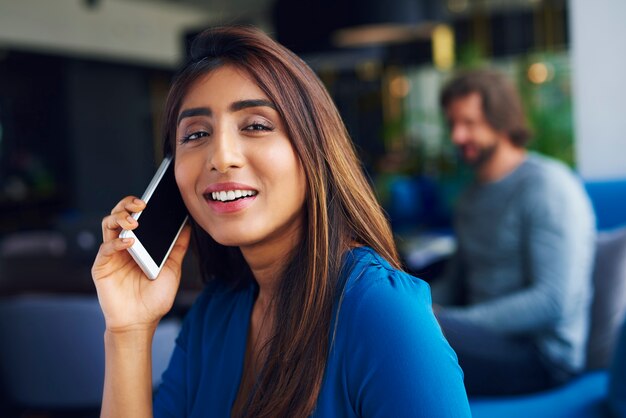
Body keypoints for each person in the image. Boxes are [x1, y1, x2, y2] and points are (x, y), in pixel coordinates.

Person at [92, 26, 471, 417]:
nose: (221, 157)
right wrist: (128, 331)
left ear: (314, 148)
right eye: (197, 133)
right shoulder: (216, 313)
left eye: (255, 125)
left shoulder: (379, 311)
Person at [433, 69, 596, 396]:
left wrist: (451, 322)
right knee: (395, 319)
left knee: (412, 332)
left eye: (469, 123)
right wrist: (410, 303)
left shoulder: (548, 187)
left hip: (542, 356)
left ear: (501, 120)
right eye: (452, 124)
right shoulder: (469, 200)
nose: (457, 137)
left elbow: (552, 301)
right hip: (480, 339)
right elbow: (454, 283)